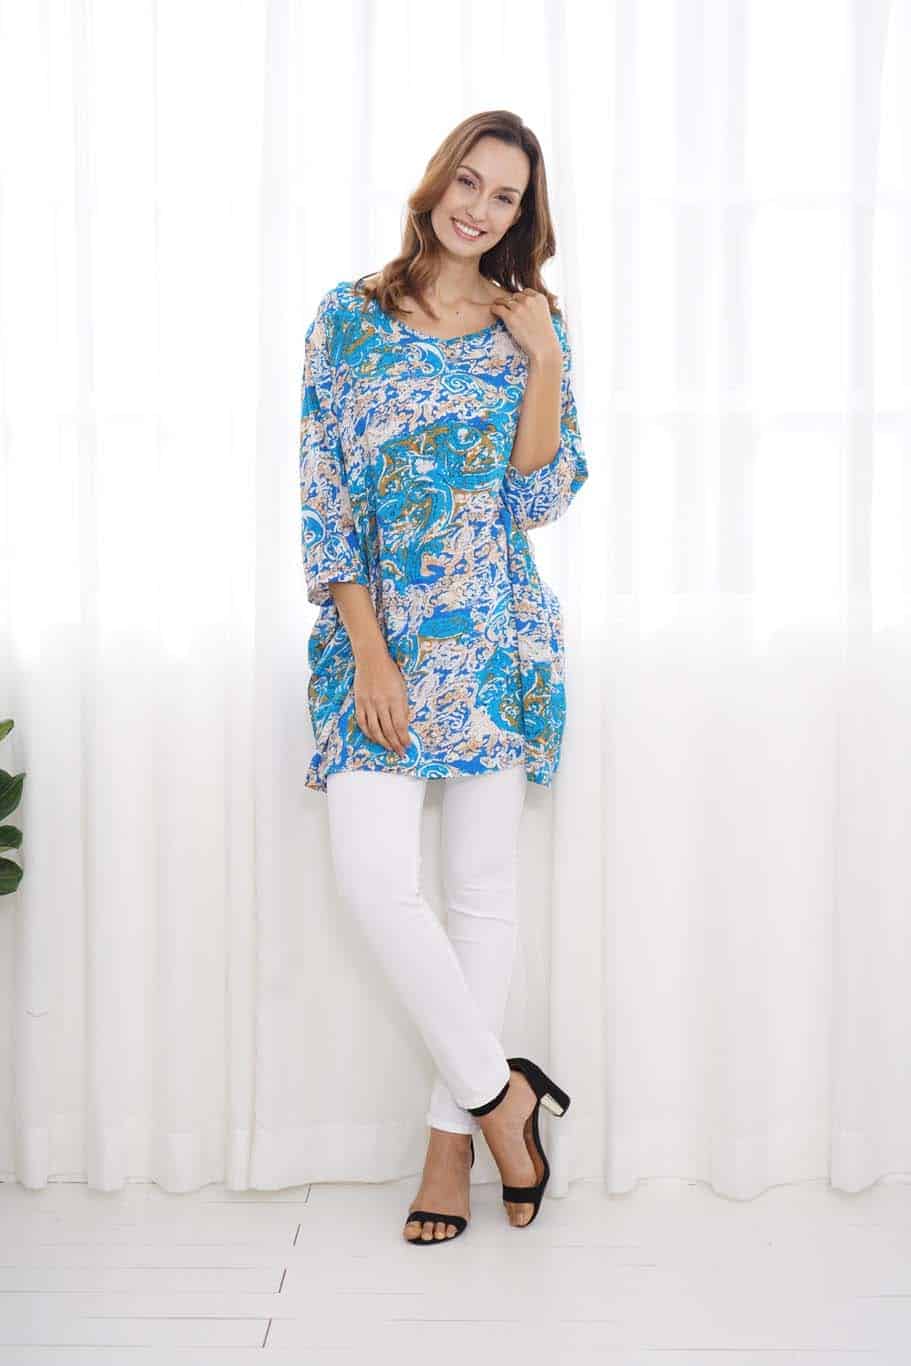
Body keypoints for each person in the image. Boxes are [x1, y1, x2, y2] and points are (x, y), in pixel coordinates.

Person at [299, 110, 587, 1244]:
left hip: (495, 636)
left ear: (523, 215)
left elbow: (538, 495)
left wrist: (543, 359)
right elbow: (325, 499)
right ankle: (503, 1097)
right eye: (468, 181)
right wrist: (369, 652)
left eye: (504, 196)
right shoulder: (348, 317)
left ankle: (447, 1143)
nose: (479, 208)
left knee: (478, 895)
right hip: (377, 642)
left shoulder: (530, 324)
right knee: (374, 880)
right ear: (435, 184)